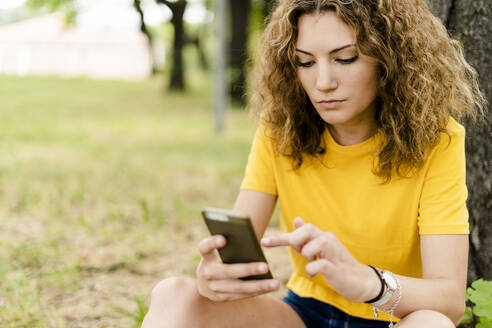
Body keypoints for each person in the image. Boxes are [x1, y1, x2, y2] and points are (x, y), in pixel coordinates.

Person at [141, 0, 485, 327]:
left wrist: (369, 283)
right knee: (173, 294)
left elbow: (450, 302)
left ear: (388, 59)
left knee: (432, 324)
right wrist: (214, 277)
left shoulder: (438, 139)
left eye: (345, 58)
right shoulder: (281, 128)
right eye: (305, 62)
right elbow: (238, 250)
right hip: (305, 314)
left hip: (395, 316)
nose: (323, 83)